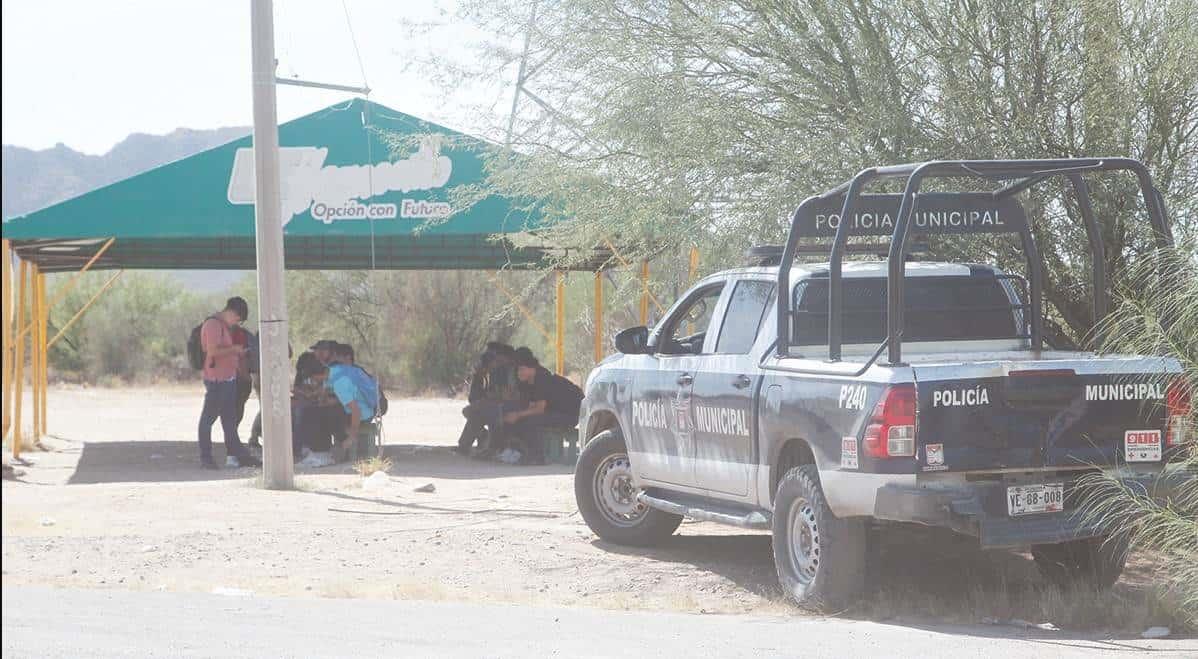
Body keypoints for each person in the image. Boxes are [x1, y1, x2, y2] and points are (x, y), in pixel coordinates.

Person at [196, 297, 261, 469]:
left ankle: (240, 455)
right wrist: (235, 349)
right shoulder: (213, 325)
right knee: (208, 419)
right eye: (238, 319)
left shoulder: (224, 326)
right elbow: (212, 351)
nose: (237, 323)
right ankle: (206, 457)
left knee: (230, 421)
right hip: (217, 380)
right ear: (232, 312)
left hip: (228, 379)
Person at [502, 351, 584, 465]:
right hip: (556, 411)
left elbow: (539, 409)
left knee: (529, 421)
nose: (518, 373)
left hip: (570, 415)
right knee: (519, 417)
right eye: (518, 370)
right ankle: (517, 451)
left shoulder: (542, 378)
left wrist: (517, 415)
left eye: (522, 369)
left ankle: (537, 457)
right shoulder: (529, 381)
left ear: (532, 368)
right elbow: (531, 405)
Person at [455, 343, 520, 456]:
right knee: (474, 412)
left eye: (496, 357)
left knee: (484, 411)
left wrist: (491, 398)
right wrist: (479, 377)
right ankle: (466, 445)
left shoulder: (512, 371)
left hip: (512, 405)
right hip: (497, 402)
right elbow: (475, 397)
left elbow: (510, 394)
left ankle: (491, 445)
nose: (496, 362)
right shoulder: (496, 372)